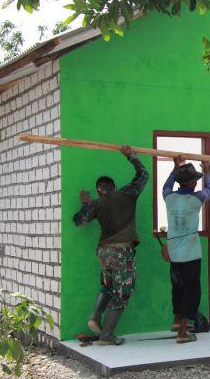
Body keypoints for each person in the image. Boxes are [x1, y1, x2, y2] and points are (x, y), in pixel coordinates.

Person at [73, 145, 148, 346]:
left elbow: (79, 221)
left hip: (103, 252)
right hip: (121, 251)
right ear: (113, 187)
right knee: (122, 293)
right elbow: (143, 175)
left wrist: (85, 204)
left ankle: (95, 317)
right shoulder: (126, 194)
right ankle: (106, 335)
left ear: (99, 190)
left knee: (108, 286)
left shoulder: (96, 204)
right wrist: (131, 156)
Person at [163, 156, 210, 343]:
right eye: (195, 180)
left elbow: (167, 185)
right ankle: (182, 333)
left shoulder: (169, 198)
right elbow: (209, 189)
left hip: (175, 254)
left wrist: (175, 168)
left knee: (178, 289)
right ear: (192, 183)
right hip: (191, 254)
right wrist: (207, 170)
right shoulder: (196, 199)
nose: (197, 182)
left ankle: (177, 321)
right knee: (190, 292)